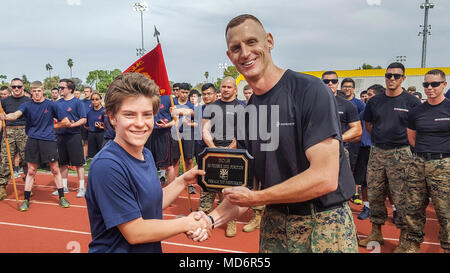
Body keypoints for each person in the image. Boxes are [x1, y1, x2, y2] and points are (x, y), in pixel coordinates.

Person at [191, 14, 358, 252]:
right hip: (274, 224)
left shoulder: (309, 91)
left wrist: (258, 199)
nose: (245, 53)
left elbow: (325, 177)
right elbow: (247, 191)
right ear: (230, 56)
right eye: (236, 48)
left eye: (251, 42)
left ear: (269, 41)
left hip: (324, 224)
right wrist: (209, 221)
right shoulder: (248, 114)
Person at [85, 72, 208, 253]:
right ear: (112, 118)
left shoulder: (146, 154)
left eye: (147, 114)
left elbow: (152, 203)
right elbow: (136, 232)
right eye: (129, 115)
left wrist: (183, 180)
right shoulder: (107, 165)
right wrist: (186, 223)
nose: (140, 123)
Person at [360, 62, 421, 252]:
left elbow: (418, 129)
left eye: (396, 76)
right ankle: (376, 232)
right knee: (376, 193)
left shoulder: (412, 102)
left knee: (402, 197)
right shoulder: (375, 101)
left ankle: (404, 239)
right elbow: (369, 124)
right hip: (377, 152)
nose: (391, 79)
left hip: (401, 153)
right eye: (388, 75)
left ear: (403, 78)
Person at [0, 81, 71, 211]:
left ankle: (62, 196)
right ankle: (26, 199)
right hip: (32, 141)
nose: (37, 93)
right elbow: (16, 115)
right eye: (34, 91)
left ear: (43, 91)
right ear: (31, 92)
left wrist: (52, 127)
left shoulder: (51, 105)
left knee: (55, 169)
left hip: (48, 141)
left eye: (39, 91)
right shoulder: (26, 105)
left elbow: (65, 121)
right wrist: (5, 116)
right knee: (31, 171)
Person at [403, 69, 450, 253]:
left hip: (443, 164)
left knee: (445, 211)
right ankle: (412, 245)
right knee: (413, 207)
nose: (429, 88)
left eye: (434, 84)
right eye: (426, 84)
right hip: (419, 163)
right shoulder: (416, 112)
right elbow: (412, 138)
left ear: (444, 85)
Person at [202, 76, 245, 238]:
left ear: (235, 89)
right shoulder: (211, 107)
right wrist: (213, 149)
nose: (225, 89)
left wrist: (229, 149)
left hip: (234, 154)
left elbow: (241, 133)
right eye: (223, 86)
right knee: (208, 187)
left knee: (230, 190)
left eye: (229, 87)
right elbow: (205, 130)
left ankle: (231, 221)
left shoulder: (241, 108)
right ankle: (202, 219)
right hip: (212, 153)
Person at [322, 72, 363, 205]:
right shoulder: (311, 102)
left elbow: (357, 129)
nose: (330, 84)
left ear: (337, 84)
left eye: (333, 81)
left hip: (338, 150)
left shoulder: (346, 105)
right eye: (326, 81)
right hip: (316, 151)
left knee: (339, 184)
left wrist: (338, 139)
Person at [354, 84, 385, 220]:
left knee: (387, 183)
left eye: (370, 94)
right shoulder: (363, 112)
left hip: (382, 150)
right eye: (366, 94)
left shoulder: (387, 110)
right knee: (364, 181)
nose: (366, 97)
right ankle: (366, 206)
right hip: (365, 149)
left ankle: (395, 209)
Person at [53, 79, 87, 198]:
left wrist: (71, 125)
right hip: (61, 136)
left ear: (70, 89)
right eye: (59, 87)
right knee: (63, 163)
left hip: (74, 135)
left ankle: (82, 188)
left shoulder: (78, 103)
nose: (60, 90)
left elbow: (83, 119)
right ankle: (64, 186)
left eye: (62, 88)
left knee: (79, 163)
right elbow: (53, 118)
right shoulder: (57, 103)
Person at [0, 78, 31, 201]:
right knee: (6, 160)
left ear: (23, 87)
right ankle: (2, 187)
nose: (16, 89)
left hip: (25, 131)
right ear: (11, 88)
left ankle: (28, 186)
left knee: (27, 160)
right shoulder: (4, 101)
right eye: (14, 87)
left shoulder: (29, 101)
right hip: (9, 131)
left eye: (19, 86)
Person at [145, 91, 177, 187]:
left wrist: (166, 124)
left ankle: (169, 191)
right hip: (149, 134)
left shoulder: (169, 99)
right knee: (149, 164)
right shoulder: (145, 97)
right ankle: (153, 191)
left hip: (164, 134)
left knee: (168, 165)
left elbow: (176, 120)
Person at [170, 83, 196, 194]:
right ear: (178, 92)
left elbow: (193, 114)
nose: (184, 94)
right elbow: (171, 113)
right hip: (175, 133)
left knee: (189, 159)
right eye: (182, 92)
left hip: (188, 134)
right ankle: (174, 184)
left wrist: (179, 112)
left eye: (186, 92)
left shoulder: (191, 105)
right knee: (175, 159)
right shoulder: (173, 103)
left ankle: (190, 184)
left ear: (189, 93)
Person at [85, 92, 105, 159]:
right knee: (93, 157)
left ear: (100, 100)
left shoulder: (104, 112)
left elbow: (109, 127)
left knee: (102, 155)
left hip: (101, 135)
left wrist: (101, 126)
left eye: (97, 99)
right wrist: (91, 128)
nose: (94, 101)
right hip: (91, 135)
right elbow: (86, 125)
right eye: (93, 99)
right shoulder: (89, 112)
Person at [81, 87, 93, 160]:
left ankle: (89, 155)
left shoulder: (94, 101)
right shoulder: (81, 102)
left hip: (92, 125)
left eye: (87, 91)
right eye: (85, 91)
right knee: (85, 141)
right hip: (84, 125)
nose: (86, 93)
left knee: (92, 141)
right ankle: (84, 158)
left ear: (91, 92)